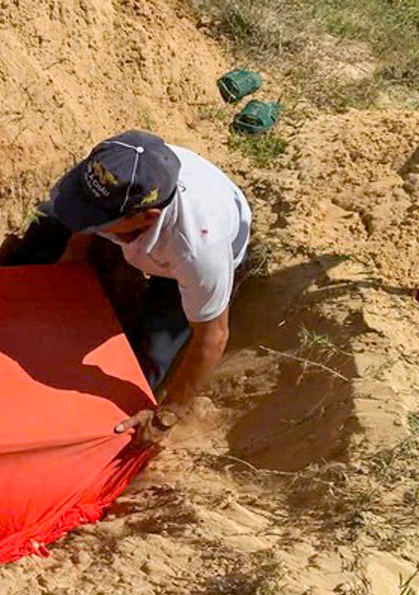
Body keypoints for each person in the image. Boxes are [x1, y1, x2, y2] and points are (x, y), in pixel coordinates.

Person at [23, 130, 251, 444]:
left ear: (146, 217)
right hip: (143, 231)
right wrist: (73, 256)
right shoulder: (118, 171)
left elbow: (212, 336)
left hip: (181, 265)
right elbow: (89, 209)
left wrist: (168, 413)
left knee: (151, 356)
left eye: (97, 221)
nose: (87, 221)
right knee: (49, 222)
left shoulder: (198, 251)